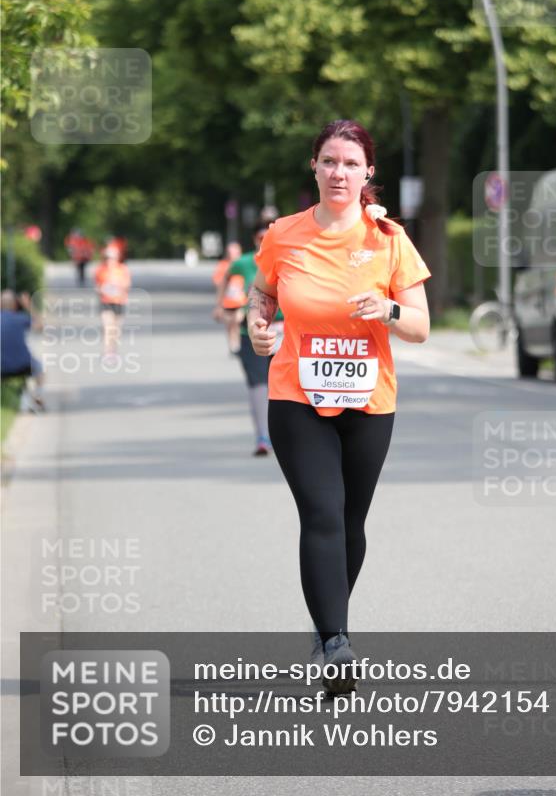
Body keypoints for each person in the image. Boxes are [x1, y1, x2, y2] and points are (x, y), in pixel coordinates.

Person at [247, 120, 431, 694]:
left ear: (368, 172)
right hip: (296, 396)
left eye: (350, 163)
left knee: (351, 521)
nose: (338, 172)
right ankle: (335, 644)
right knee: (322, 512)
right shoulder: (284, 234)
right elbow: (264, 290)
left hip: (369, 398)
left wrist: (388, 311)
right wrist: (257, 322)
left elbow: (421, 327)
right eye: (329, 161)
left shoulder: (388, 240)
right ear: (315, 167)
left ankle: (330, 623)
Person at [220, 224, 283, 457]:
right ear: (254, 239)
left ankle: (285, 435)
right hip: (253, 331)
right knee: (258, 384)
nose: (265, 240)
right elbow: (226, 279)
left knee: (286, 386)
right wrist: (221, 305)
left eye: (270, 236)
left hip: (287, 331)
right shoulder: (244, 262)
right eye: (260, 237)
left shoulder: (291, 254)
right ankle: (262, 437)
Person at [1, 290, 45, 411]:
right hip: (24, 365)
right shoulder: (21, 318)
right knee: (40, 367)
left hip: (2, 368)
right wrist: (29, 306)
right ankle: (38, 396)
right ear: (15, 304)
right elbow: (41, 326)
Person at [94, 245, 131, 359]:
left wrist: (118, 289)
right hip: (106, 302)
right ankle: (107, 352)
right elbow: (97, 287)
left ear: (117, 258)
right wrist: (103, 290)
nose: (110, 260)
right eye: (107, 257)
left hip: (119, 302)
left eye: (112, 257)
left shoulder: (122, 269)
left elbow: (127, 285)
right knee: (107, 327)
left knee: (116, 329)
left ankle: (113, 350)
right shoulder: (100, 270)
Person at [212, 241, 243, 354]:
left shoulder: (243, 264)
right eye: (231, 252)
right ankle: (232, 344)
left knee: (238, 322)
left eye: (236, 252)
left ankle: (240, 345)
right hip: (227, 302)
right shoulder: (223, 265)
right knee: (230, 325)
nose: (233, 254)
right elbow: (217, 281)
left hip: (241, 301)